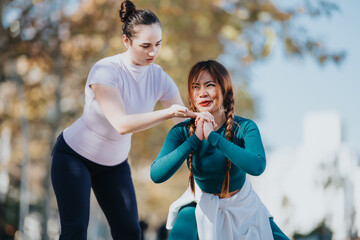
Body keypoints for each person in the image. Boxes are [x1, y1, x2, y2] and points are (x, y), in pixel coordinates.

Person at [50, 1, 197, 239]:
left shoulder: (160, 78)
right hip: (73, 157)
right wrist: (168, 112)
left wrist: (213, 131)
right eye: (145, 45)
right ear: (126, 41)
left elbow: (184, 126)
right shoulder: (105, 71)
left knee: (130, 232)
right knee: (75, 230)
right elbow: (121, 124)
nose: (153, 52)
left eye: (158, 44)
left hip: (115, 165)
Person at [150, 60, 289, 240]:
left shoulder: (245, 127)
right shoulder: (182, 131)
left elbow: (257, 166)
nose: (202, 93)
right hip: (201, 202)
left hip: (244, 204)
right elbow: (156, 174)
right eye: (195, 87)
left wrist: (214, 138)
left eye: (210, 85)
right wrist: (195, 139)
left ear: (225, 90)